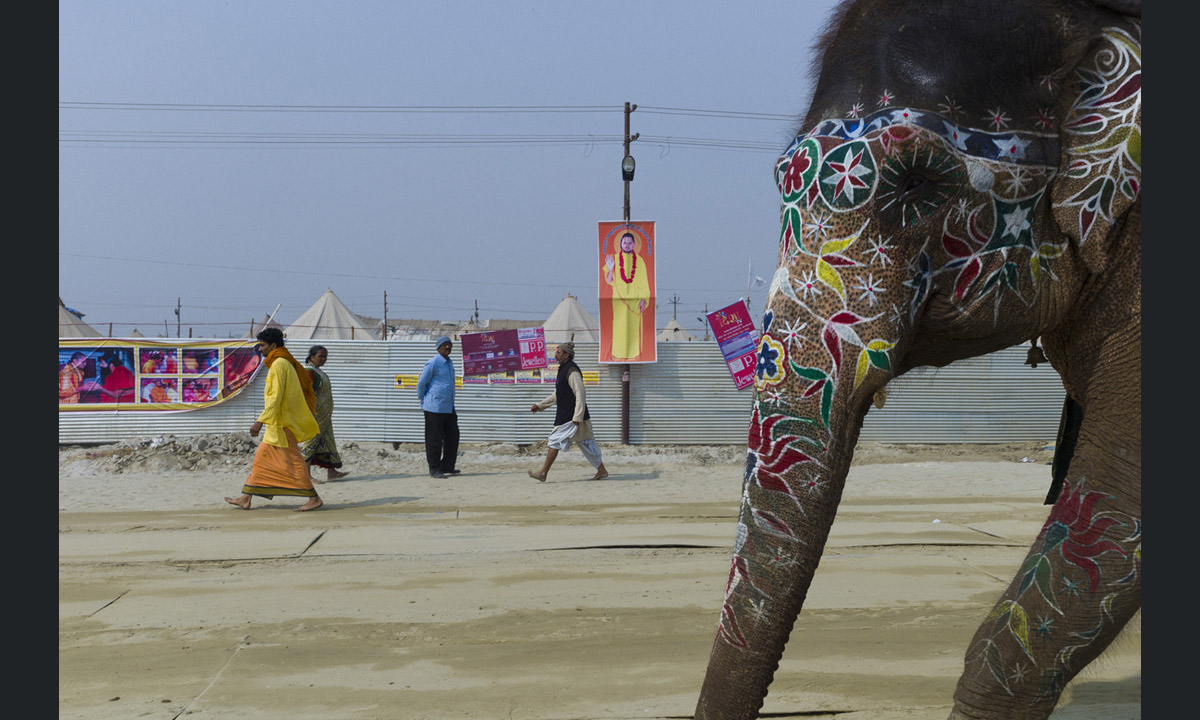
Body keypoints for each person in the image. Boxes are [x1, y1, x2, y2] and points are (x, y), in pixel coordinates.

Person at [225, 327, 324, 512]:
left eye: (262, 345)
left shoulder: (279, 364)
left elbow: (276, 397)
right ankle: (246, 498)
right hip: (277, 423)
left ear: (273, 345)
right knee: (261, 460)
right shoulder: (282, 362)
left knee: (294, 460)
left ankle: (314, 498)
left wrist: (259, 421)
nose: (259, 349)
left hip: (282, 424)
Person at [528, 342, 609, 482]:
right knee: (586, 443)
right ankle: (602, 470)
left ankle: (543, 473)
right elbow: (558, 395)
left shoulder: (572, 371)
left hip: (571, 417)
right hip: (570, 415)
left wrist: (577, 416)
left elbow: (580, 393)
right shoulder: (563, 369)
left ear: (566, 355)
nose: (555, 355)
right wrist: (540, 405)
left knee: (554, 440)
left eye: (558, 352)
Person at [302, 345, 349, 483]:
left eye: (325, 356)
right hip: (315, 415)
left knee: (328, 441)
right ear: (312, 357)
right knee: (310, 442)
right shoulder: (309, 372)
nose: (323, 359)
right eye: (320, 356)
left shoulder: (318, 371)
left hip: (325, 415)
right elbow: (306, 394)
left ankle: (332, 471)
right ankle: (306, 475)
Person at [416, 336, 461, 479]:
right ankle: (434, 468)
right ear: (438, 347)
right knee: (434, 439)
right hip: (434, 407)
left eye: (449, 345)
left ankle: (447, 466)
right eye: (444, 345)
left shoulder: (449, 363)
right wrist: (422, 400)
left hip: (448, 407)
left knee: (453, 436)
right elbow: (421, 384)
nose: (448, 348)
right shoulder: (433, 363)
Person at [603, 231, 651, 361]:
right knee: (619, 326)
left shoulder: (640, 261)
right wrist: (611, 269)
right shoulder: (614, 258)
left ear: (634, 244)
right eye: (625, 242)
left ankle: (634, 356)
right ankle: (617, 355)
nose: (627, 245)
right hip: (619, 300)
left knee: (634, 329)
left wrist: (643, 300)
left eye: (630, 243)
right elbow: (609, 281)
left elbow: (644, 283)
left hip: (635, 301)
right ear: (620, 244)